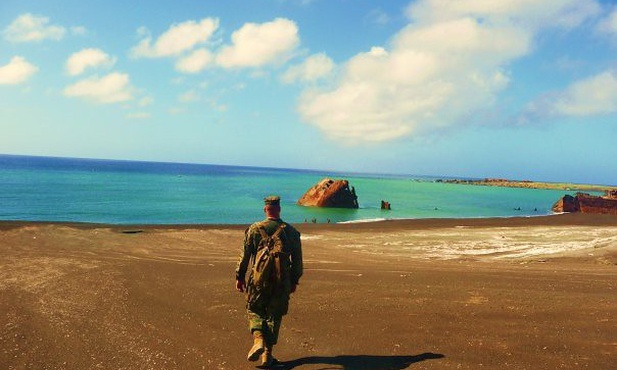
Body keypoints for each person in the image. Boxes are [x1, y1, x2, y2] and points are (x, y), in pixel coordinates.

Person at [235, 195, 303, 367]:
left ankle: (258, 339)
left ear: (265, 209)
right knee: (275, 315)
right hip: (282, 282)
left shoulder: (254, 229)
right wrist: (294, 281)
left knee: (254, 308)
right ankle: (267, 355)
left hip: (258, 281)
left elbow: (245, 256)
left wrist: (240, 276)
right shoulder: (292, 232)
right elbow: (297, 261)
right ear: (279, 209)